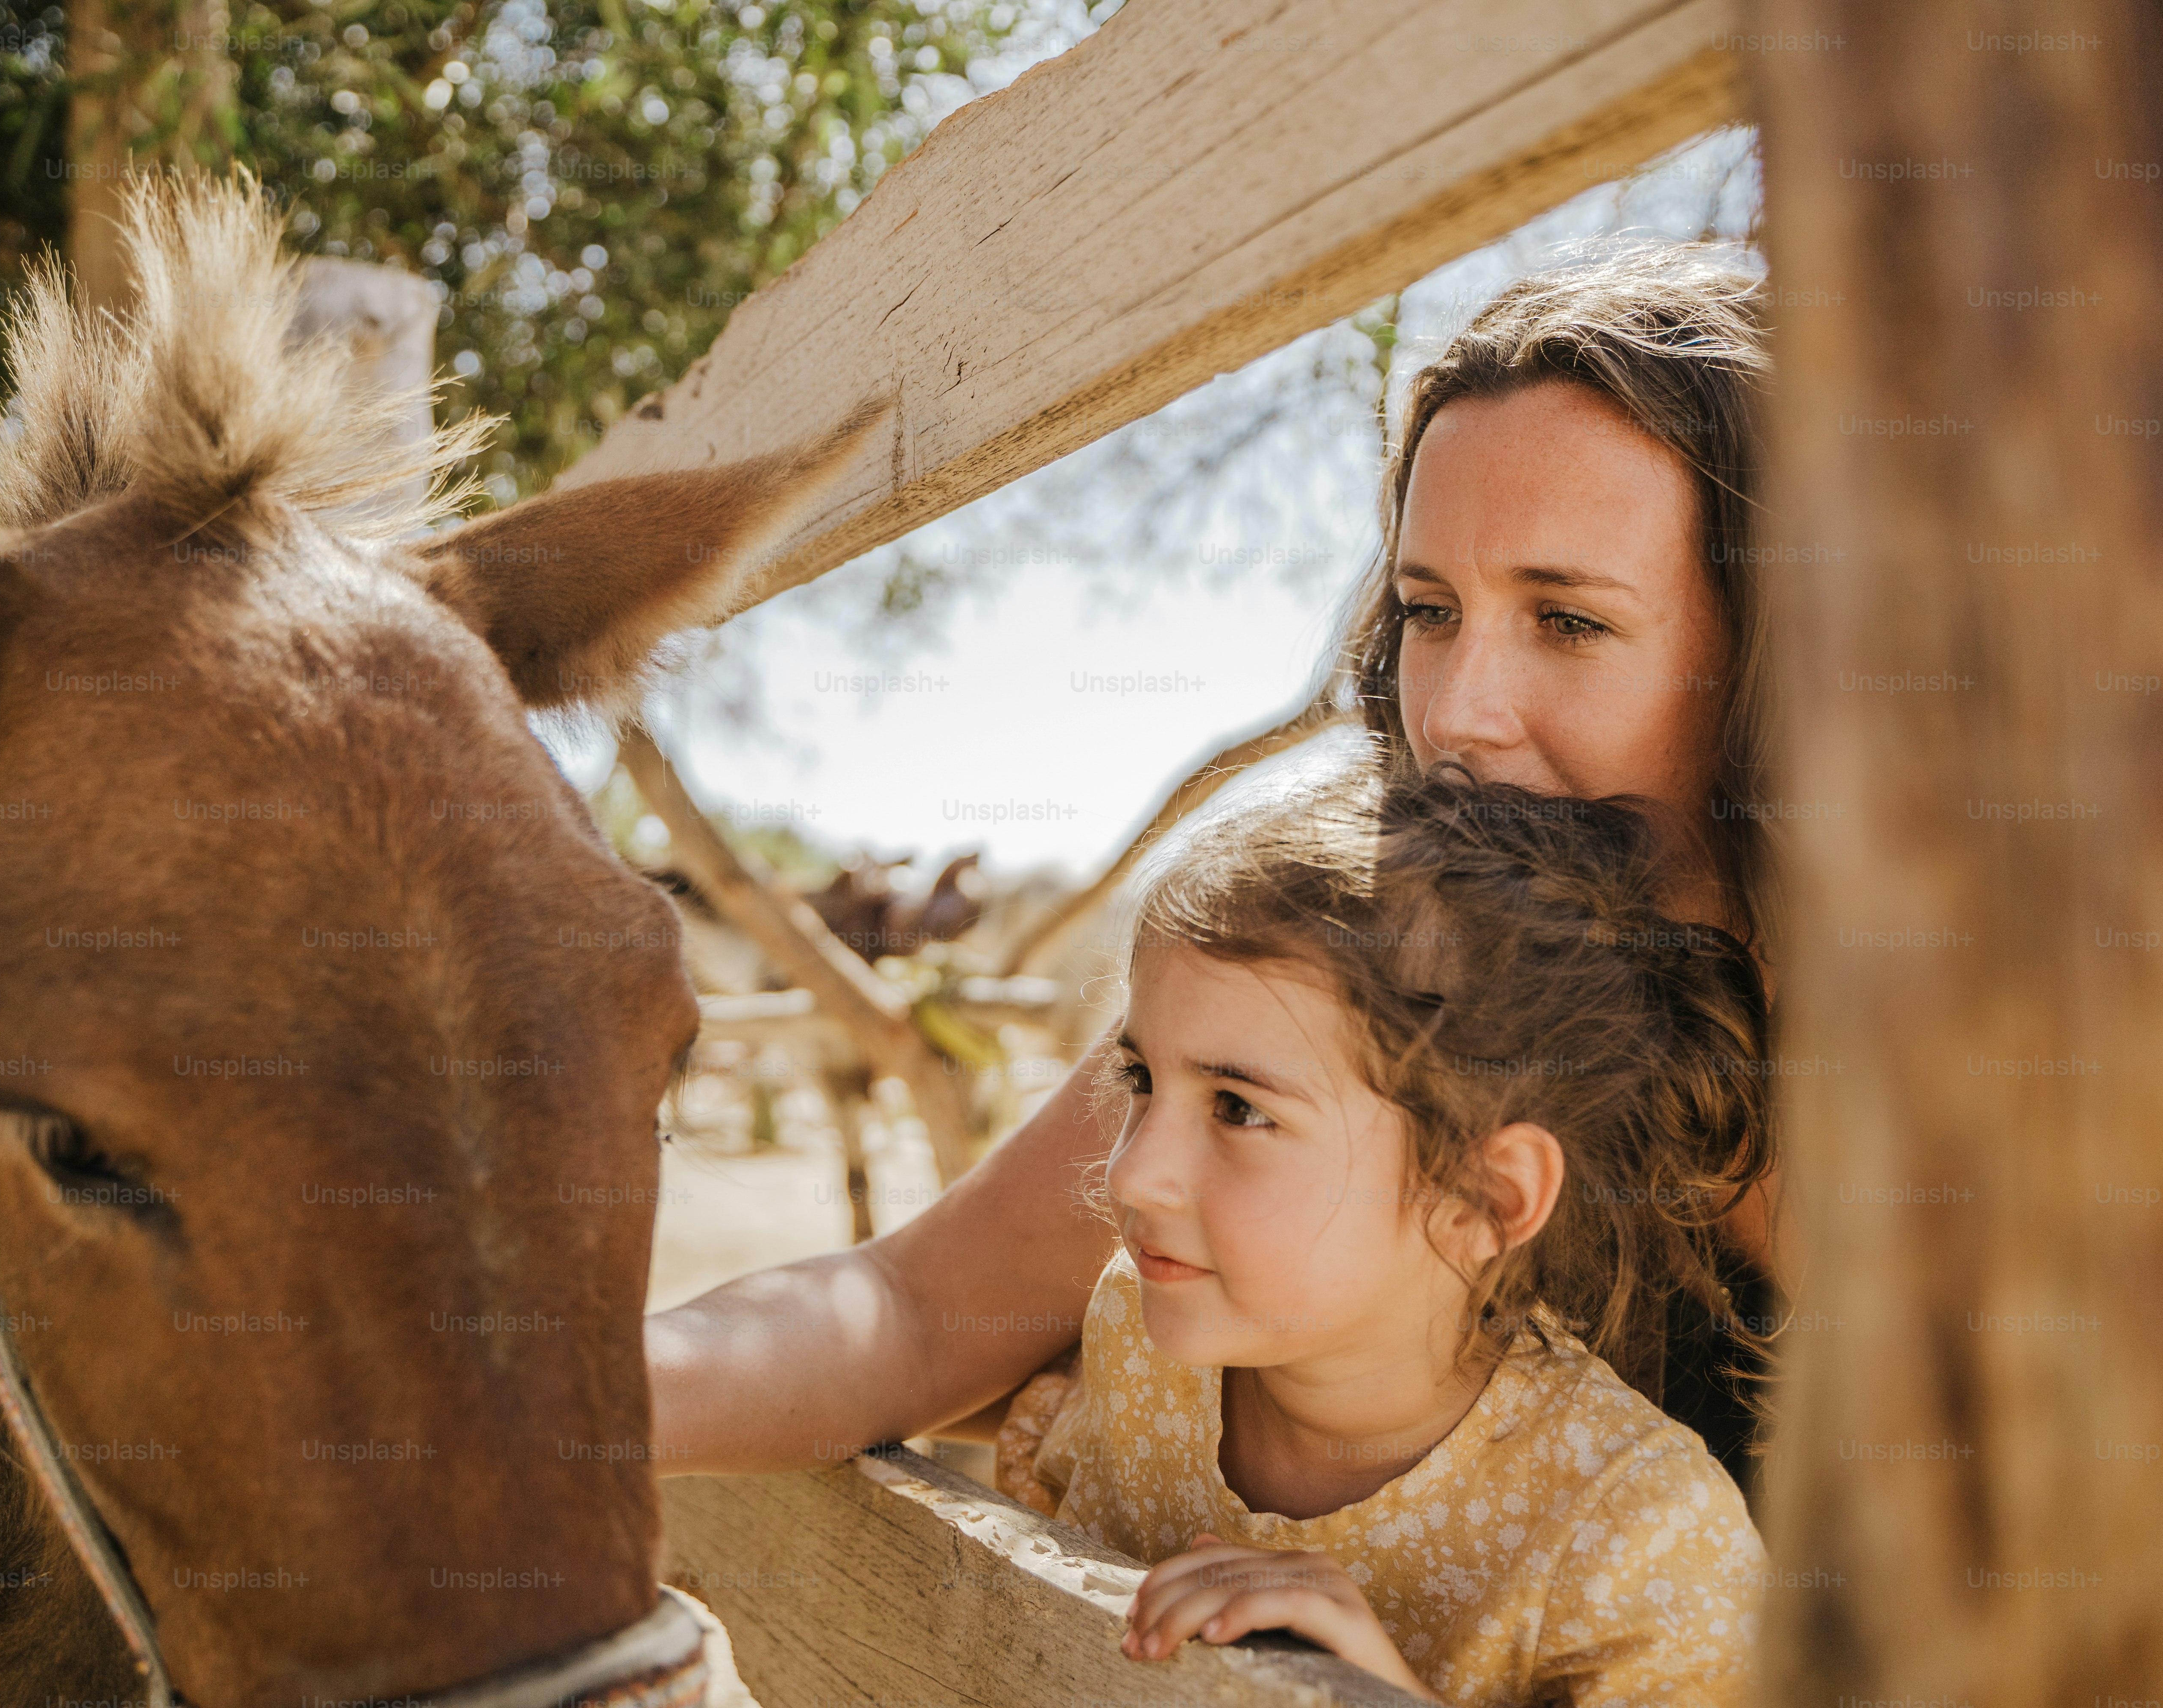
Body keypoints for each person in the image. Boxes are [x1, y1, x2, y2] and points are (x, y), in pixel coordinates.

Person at [646, 245, 1783, 1489]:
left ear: (1774, 658)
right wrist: (515, 1413)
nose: (1457, 717)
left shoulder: (1959, 1057)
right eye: (1429, 610)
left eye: (1569, 622)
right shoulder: (1350, 957)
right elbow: (916, 1316)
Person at [1016, 768, 1768, 1704]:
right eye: (1140, 1080)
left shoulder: (1637, 1534)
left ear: (1484, 1195)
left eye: (1239, 1107)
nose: (1132, 1173)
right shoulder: (1136, 1336)